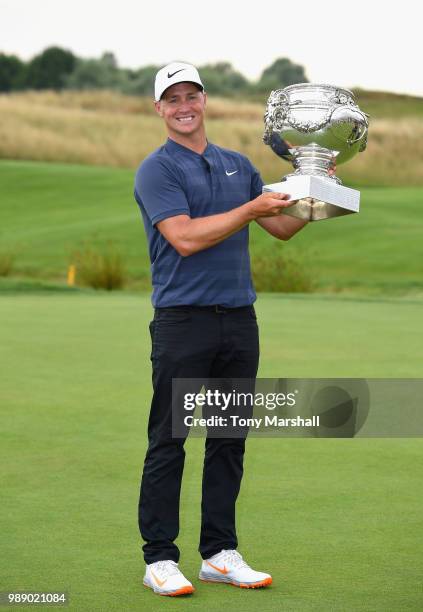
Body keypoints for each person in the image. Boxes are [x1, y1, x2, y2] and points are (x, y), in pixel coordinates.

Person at [134, 61, 308, 597]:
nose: (183, 106)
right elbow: (184, 237)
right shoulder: (156, 169)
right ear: (159, 109)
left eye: (191, 95)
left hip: (238, 319)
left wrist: (317, 190)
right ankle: (160, 558)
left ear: (204, 100)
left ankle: (219, 553)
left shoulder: (238, 164)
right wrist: (250, 208)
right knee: (170, 439)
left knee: (229, 440)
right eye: (172, 99)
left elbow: (279, 227)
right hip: (182, 321)